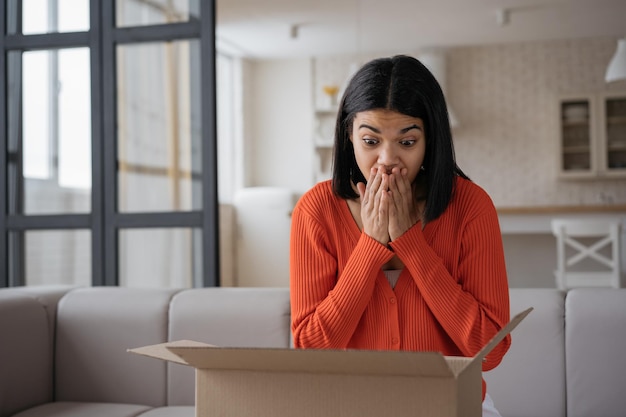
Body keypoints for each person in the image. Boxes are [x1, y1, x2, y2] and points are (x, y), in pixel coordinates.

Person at [289, 55, 510, 417]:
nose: (387, 160)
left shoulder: (471, 206)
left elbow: (490, 352)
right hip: (350, 407)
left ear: (430, 140)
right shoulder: (316, 211)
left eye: (406, 142)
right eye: (370, 141)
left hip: (452, 405)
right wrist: (371, 245)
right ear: (349, 137)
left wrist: (412, 244)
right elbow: (312, 348)